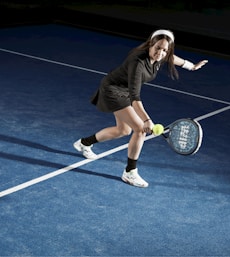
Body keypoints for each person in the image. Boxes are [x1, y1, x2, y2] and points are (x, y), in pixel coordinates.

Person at [73, 29, 208, 188]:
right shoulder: (138, 63)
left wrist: (191, 66)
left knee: (123, 131)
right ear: (151, 44)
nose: (161, 53)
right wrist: (147, 120)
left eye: (165, 49)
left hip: (123, 91)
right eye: (158, 48)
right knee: (140, 129)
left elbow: (172, 58)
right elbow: (135, 97)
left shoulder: (161, 56)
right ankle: (130, 172)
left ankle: (84, 143)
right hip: (113, 90)